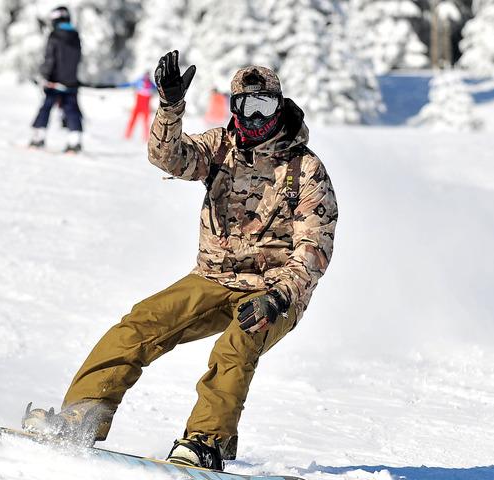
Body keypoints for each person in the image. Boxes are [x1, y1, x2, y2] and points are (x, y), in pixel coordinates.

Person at [22, 50, 338, 471]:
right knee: (140, 324)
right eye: (248, 106)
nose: (257, 117)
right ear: (235, 108)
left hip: (271, 291)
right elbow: (167, 157)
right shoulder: (220, 147)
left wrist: (279, 297)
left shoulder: (305, 169)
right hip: (213, 277)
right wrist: (170, 107)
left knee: (236, 345)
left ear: (279, 108)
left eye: (266, 106)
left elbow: (314, 247)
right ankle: (81, 417)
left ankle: (206, 441)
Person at [29, 5, 84, 153]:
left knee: (46, 108)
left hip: (54, 81)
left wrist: (44, 76)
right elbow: (77, 59)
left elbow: (50, 59)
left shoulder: (54, 35)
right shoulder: (75, 36)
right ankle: (75, 141)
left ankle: (38, 138)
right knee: (72, 110)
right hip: (71, 82)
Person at [120, 72, 156, 141]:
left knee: (146, 123)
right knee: (132, 121)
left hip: (146, 107)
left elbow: (158, 88)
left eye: (148, 76)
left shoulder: (151, 84)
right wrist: (119, 86)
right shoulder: (139, 82)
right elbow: (130, 84)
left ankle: (146, 137)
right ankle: (127, 135)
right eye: (146, 75)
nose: (146, 77)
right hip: (138, 106)